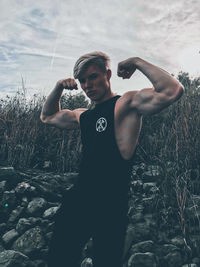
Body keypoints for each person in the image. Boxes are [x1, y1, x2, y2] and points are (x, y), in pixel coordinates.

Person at [40, 52, 184, 267]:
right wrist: (59, 86)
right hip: (78, 200)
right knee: (59, 259)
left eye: (93, 77)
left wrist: (136, 61)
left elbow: (173, 91)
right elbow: (47, 116)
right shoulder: (84, 115)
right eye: (83, 80)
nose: (88, 85)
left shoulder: (125, 104)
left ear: (108, 75)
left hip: (110, 206)